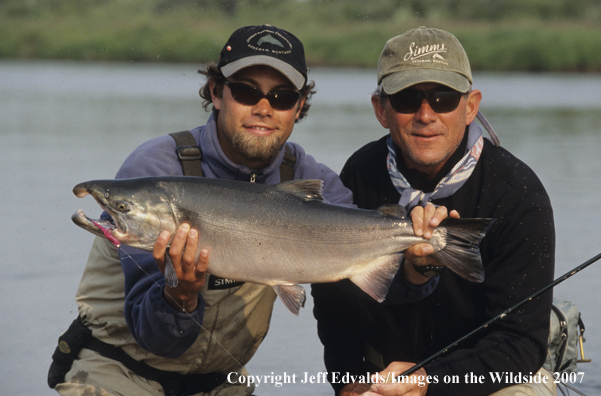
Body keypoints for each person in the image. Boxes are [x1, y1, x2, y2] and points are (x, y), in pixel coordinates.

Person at [49, 24, 356, 396]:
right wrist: (179, 295)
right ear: (216, 92)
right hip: (120, 374)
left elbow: (381, 275)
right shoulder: (156, 168)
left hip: (221, 384)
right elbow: (156, 338)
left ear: (299, 106)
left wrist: (418, 265)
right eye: (245, 91)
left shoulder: (309, 178)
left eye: (281, 96)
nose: (263, 108)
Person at [312, 27, 556, 396]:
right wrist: (348, 380)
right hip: (383, 377)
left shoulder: (519, 193)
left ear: (471, 105)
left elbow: (521, 342)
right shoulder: (359, 174)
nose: (426, 114)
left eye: (443, 99)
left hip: (492, 376)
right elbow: (333, 300)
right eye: (408, 99)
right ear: (381, 109)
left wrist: (430, 381)